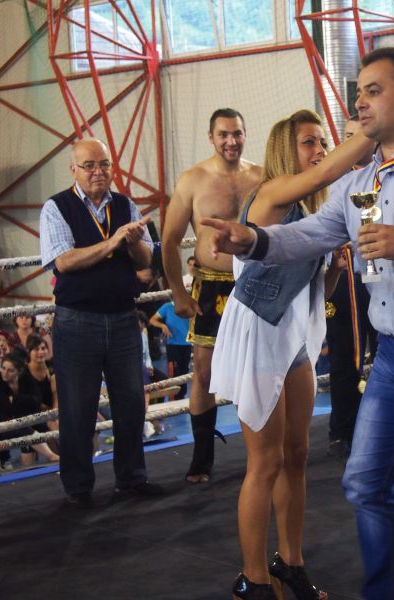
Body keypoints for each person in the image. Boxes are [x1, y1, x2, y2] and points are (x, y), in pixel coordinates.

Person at [203, 47, 394, 600]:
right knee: (365, 483)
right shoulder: (359, 181)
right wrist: (252, 240)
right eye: (359, 93)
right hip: (392, 357)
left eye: (373, 90)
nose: (360, 102)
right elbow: (314, 233)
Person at [204, 109, 371, 599]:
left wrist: (335, 267)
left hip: (294, 337)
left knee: (297, 455)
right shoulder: (272, 195)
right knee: (265, 462)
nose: (320, 150)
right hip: (258, 333)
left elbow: (318, 289)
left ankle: (290, 563)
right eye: (309, 142)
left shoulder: (312, 210)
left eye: (323, 142)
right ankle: (253, 580)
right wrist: (375, 128)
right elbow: (326, 174)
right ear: (285, 149)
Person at [39, 137, 162, 508]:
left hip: (123, 317)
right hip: (78, 320)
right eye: (89, 165)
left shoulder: (124, 205)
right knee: (78, 408)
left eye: (104, 164)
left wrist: (134, 241)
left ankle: (132, 478)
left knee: (131, 403)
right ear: (73, 170)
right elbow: (63, 261)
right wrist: (112, 242)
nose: (98, 171)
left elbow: (145, 261)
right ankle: (78, 488)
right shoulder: (56, 207)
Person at [161, 108, 263, 484]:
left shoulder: (261, 176)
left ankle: (262, 453)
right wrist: (178, 292)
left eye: (237, 133)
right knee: (204, 373)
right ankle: (201, 458)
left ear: (245, 134)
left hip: (254, 279)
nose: (231, 141)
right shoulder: (193, 180)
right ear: (211, 137)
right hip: (211, 285)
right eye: (223, 134)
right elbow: (168, 240)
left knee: (260, 368)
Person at [325, 114, 378, 458]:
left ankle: (386, 426)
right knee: (342, 355)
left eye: (358, 136)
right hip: (344, 277)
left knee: (388, 354)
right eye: (346, 136)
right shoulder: (334, 182)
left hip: (381, 277)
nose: (351, 142)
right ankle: (342, 429)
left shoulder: (386, 176)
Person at [0, 354, 59, 467]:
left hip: (26, 420)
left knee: (48, 427)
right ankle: (52, 456)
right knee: (25, 430)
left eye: (10, 370)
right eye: (3, 368)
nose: (5, 373)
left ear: (19, 371)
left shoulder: (26, 377)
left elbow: (37, 400)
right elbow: (4, 408)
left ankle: (60, 460)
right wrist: (26, 402)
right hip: (3, 425)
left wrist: (15, 399)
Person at [149, 300, 192, 399]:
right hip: (173, 345)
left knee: (184, 372)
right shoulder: (167, 307)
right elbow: (152, 320)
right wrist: (163, 326)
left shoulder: (188, 305)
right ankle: (174, 398)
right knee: (174, 372)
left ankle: (181, 397)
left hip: (187, 344)